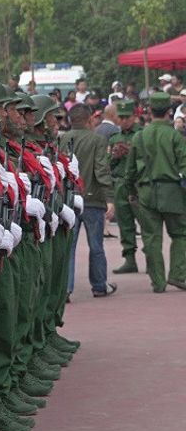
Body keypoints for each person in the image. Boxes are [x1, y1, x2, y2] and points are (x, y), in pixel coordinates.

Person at [120, 92, 186, 293]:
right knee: (181, 235)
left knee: (151, 237)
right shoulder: (176, 136)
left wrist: (131, 191)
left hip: (146, 192)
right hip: (172, 191)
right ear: (168, 111)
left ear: (149, 112)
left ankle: (157, 282)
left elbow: (130, 171)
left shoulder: (140, 136)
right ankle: (177, 274)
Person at [62, 103, 116, 297]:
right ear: (88, 120)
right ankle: (99, 285)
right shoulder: (97, 140)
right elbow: (101, 170)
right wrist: (109, 198)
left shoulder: (62, 139)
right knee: (96, 246)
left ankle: (66, 288)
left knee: (69, 247)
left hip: (69, 200)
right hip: (93, 199)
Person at [109, 100, 142, 273]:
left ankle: (152, 260)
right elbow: (109, 166)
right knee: (125, 223)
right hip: (121, 183)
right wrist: (115, 155)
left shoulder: (142, 135)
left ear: (134, 117)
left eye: (126, 117)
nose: (123, 120)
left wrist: (132, 152)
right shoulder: (115, 138)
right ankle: (130, 259)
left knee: (147, 222)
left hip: (139, 183)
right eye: (120, 117)